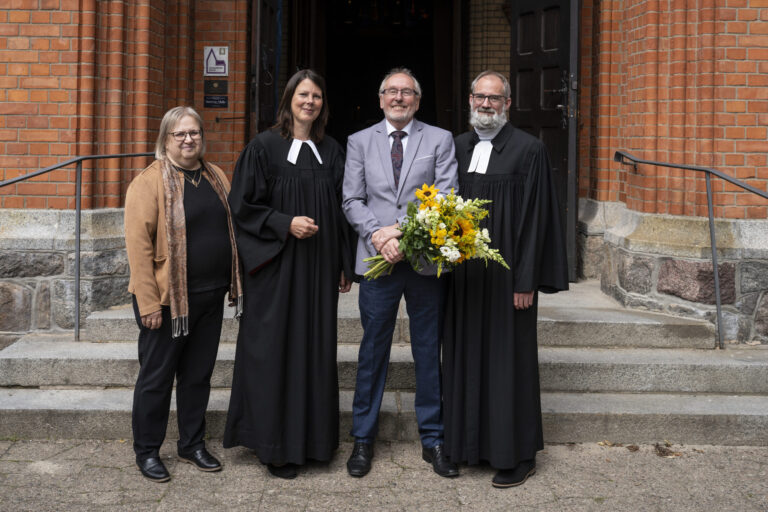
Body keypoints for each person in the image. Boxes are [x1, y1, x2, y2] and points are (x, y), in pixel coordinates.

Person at [223, 69, 354, 480]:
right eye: (303, 94)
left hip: (318, 272)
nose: (309, 102)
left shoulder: (331, 151)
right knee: (274, 351)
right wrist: (284, 223)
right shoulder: (263, 147)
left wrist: (345, 263)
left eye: (316, 96)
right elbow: (242, 206)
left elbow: (343, 209)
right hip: (276, 270)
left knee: (314, 350)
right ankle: (275, 446)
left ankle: (313, 443)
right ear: (288, 99)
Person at [442, 70, 569, 488]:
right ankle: (466, 445)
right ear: (470, 100)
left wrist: (526, 280)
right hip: (463, 279)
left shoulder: (529, 150)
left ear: (507, 104)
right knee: (463, 357)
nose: (485, 105)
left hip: (508, 278)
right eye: (479, 97)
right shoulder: (455, 147)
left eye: (494, 99)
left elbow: (536, 222)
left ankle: (517, 454)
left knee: (508, 363)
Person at [342, 68, 459, 478]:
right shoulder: (359, 142)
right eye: (391, 91)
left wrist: (401, 234)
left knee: (428, 351)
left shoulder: (439, 139)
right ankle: (362, 439)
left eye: (407, 92)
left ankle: (434, 440)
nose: (399, 98)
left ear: (417, 100)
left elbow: (446, 196)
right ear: (380, 99)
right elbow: (352, 199)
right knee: (372, 351)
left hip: (424, 263)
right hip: (377, 262)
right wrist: (378, 236)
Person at [124, 106, 243, 483]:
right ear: (166, 139)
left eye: (194, 133)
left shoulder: (216, 175)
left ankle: (191, 444)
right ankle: (147, 451)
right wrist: (147, 303)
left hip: (209, 297)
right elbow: (138, 248)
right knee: (157, 378)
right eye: (180, 134)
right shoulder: (149, 181)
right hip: (165, 301)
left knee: (197, 376)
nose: (189, 139)